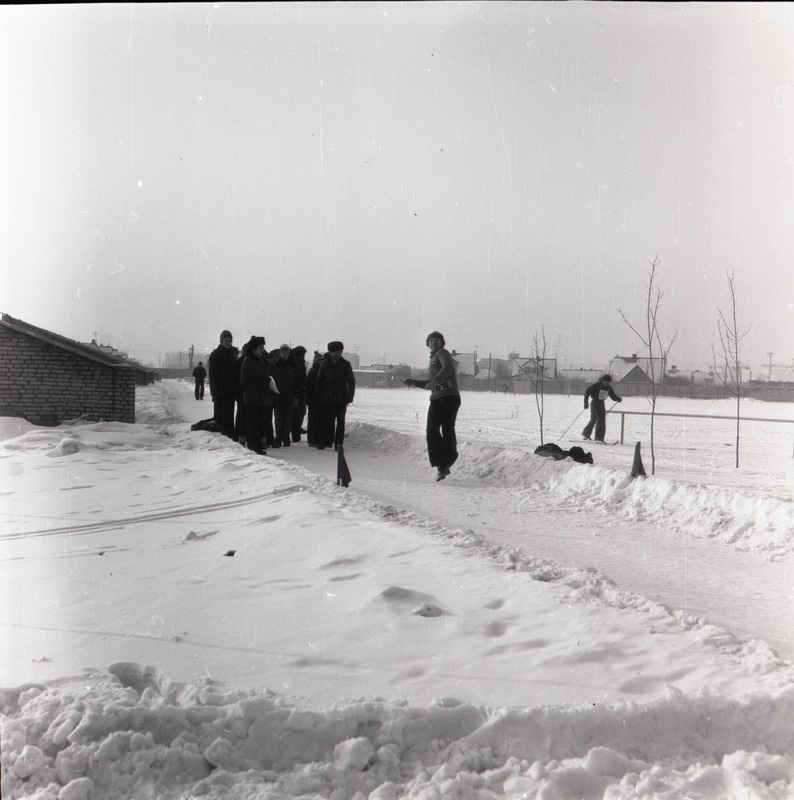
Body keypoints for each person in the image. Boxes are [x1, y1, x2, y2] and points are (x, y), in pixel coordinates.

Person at [403, 331, 461, 482]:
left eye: (436, 340)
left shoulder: (443, 353)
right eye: (430, 341)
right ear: (427, 344)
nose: (433, 342)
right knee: (431, 430)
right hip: (436, 398)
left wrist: (435, 381)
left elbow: (448, 368)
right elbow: (429, 383)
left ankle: (449, 458)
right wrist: (414, 382)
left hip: (449, 396)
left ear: (442, 343)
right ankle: (441, 464)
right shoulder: (432, 361)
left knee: (447, 428)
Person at [315, 341, 355, 451]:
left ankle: (339, 444)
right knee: (327, 420)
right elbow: (319, 380)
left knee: (340, 421)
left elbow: (351, 381)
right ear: (330, 352)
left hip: (341, 397)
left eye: (339, 352)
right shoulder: (324, 364)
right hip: (327, 396)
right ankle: (325, 441)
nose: (337, 354)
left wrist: (350, 395)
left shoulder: (346, 364)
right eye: (335, 352)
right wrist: (319, 395)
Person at [239, 336, 274, 455]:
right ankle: (254, 446)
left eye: (263, 348)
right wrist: (261, 383)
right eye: (260, 348)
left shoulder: (260, 361)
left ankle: (257, 445)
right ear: (253, 350)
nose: (262, 350)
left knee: (259, 423)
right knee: (253, 424)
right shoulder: (248, 361)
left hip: (260, 398)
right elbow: (244, 381)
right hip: (252, 398)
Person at [271, 344, 304, 447]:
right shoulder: (275, 365)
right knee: (278, 419)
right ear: (280, 353)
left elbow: (298, 383)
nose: (285, 354)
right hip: (278, 397)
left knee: (288, 419)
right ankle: (278, 438)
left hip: (290, 397)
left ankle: (286, 438)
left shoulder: (294, 366)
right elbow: (271, 380)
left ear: (289, 353)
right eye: (283, 352)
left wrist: (296, 397)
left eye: (287, 352)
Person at [208, 330, 238, 438]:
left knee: (230, 415)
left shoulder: (233, 354)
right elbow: (212, 375)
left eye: (229, 340)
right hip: (219, 391)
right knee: (220, 416)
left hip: (230, 391)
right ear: (221, 341)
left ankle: (230, 437)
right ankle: (221, 438)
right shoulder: (215, 355)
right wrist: (214, 392)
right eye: (225, 340)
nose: (227, 342)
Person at [582, 374, 622, 442]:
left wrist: (618, 399)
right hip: (594, 402)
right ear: (603, 380)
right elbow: (587, 392)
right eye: (606, 381)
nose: (607, 383)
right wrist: (586, 403)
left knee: (602, 420)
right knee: (593, 419)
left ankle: (599, 438)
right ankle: (586, 434)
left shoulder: (608, 387)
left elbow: (613, 396)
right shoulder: (596, 385)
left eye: (608, 382)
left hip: (601, 403)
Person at [305, 351, 324, 447]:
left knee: (313, 420)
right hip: (315, 399)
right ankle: (313, 439)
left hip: (313, 399)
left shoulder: (313, 370)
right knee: (314, 420)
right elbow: (313, 387)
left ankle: (312, 439)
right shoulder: (315, 371)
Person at [290, 346, 309, 442]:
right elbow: (301, 377)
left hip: (295, 391)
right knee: (299, 413)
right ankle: (296, 432)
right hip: (300, 392)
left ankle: (295, 431)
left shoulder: (293, 360)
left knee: (295, 413)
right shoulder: (299, 362)